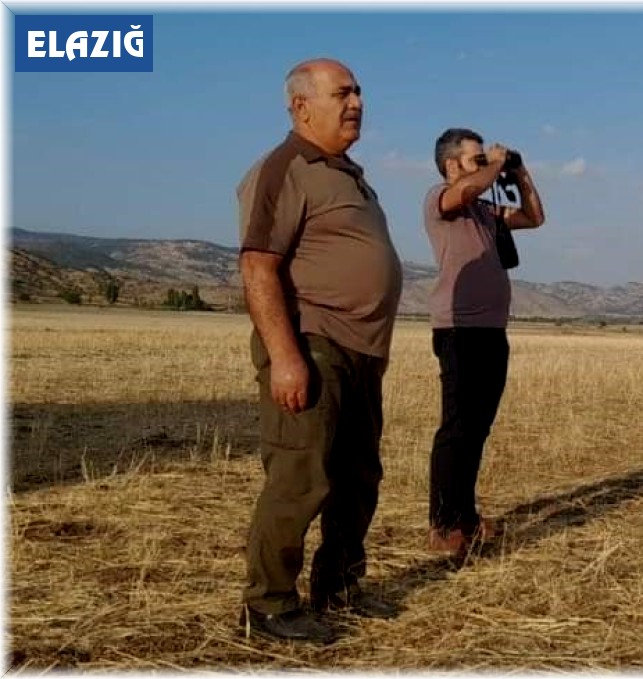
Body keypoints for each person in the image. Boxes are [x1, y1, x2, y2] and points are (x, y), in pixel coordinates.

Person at [235, 57, 404, 643]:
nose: (356, 101)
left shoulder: (348, 172)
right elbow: (259, 264)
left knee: (358, 477)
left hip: (362, 351)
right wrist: (285, 357)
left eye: (359, 91)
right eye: (343, 93)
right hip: (313, 343)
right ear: (301, 105)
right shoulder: (286, 168)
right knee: (300, 478)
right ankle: (270, 604)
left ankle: (340, 587)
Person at [423, 128, 545, 554]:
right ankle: (442, 523)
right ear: (452, 165)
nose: (485, 164)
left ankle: (466, 516)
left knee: (477, 429)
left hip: (493, 331)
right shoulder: (441, 199)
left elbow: (534, 217)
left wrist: (520, 173)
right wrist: (492, 166)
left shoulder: (485, 209)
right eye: (475, 158)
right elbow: (470, 187)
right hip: (458, 330)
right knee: (456, 428)